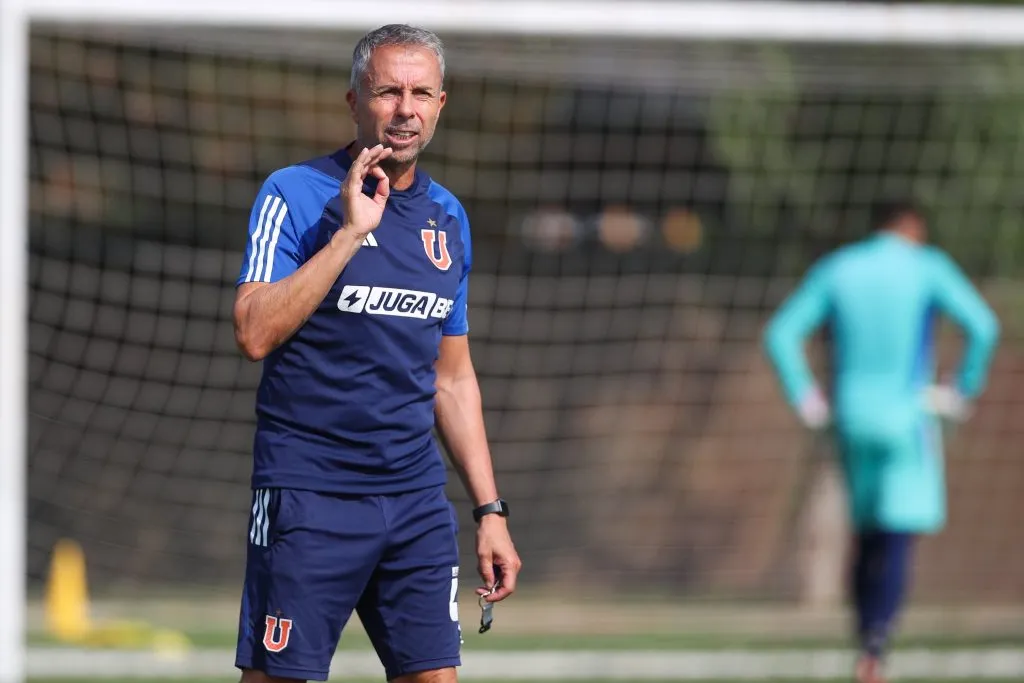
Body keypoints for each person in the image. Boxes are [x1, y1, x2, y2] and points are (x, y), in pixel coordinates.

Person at [231, 24, 521, 683]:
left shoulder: (447, 218)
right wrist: (348, 235)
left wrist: (489, 510)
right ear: (355, 100)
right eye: (388, 91)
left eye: (421, 93)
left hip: (415, 501)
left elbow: (452, 379)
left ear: (441, 103)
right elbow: (251, 331)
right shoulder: (295, 194)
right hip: (309, 493)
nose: (404, 109)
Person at [762, 200, 999, 683]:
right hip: (907, 417)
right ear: (913, 227)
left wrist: (806, 398)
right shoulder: (925, 267)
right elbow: (984, 327)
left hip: (849, 417)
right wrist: (960, 391)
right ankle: (875, 650)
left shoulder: (840, 267)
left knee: (866, 534)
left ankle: (862, 642)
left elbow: (781, 334)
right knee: (896, 537)